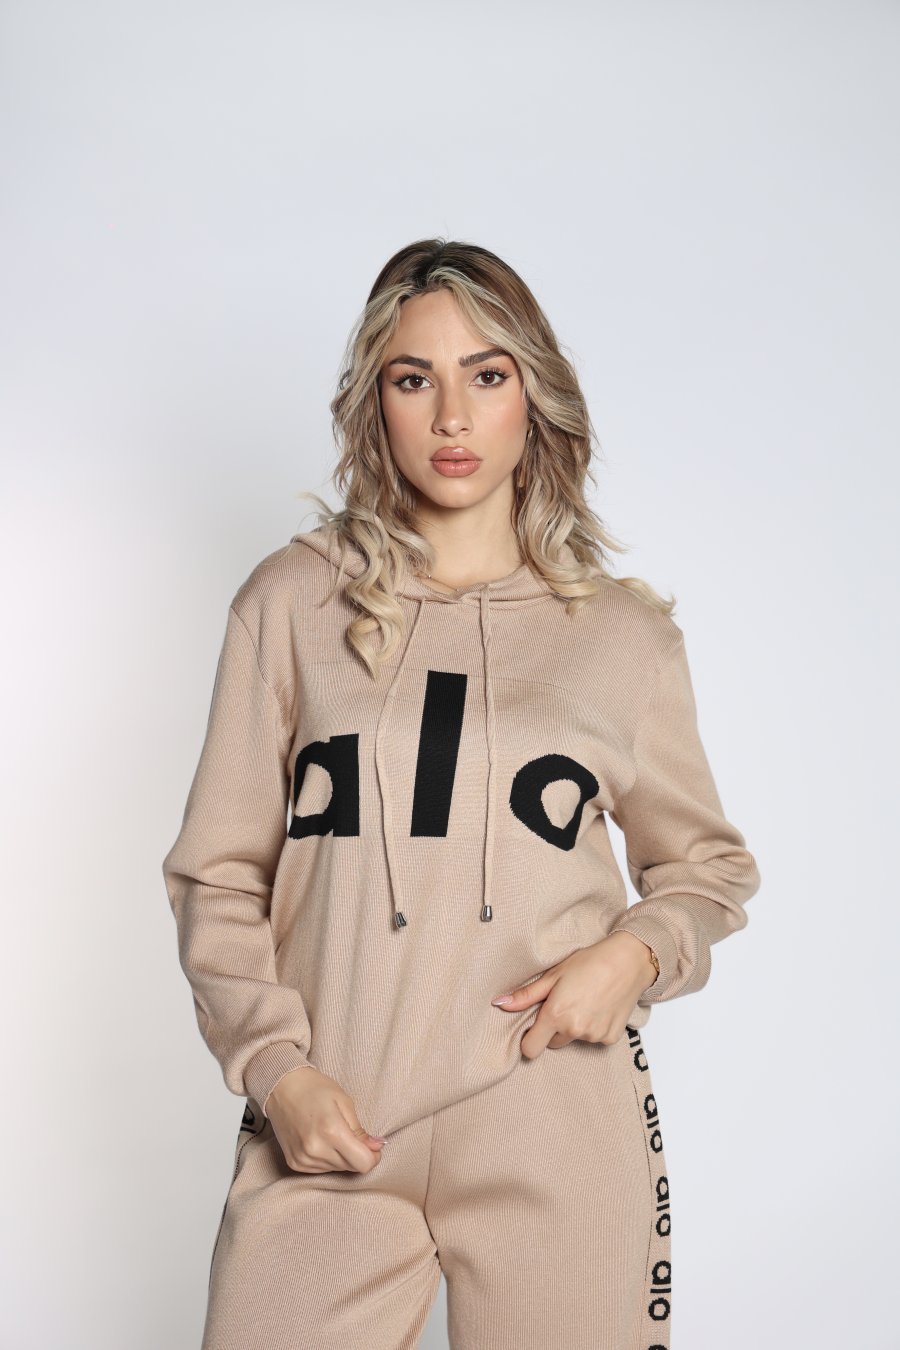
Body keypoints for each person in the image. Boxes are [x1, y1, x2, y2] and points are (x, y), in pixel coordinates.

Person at [162, 237, 761, 1350]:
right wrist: (277, 1073)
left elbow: (707, 869)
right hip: (333, 1120)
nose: (451, 415)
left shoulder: (621, 636)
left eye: (486, 375)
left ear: (535, 396)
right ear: (374, 404)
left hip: (554, 1118)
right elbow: (217, 875)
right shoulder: (289, 603)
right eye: (413, 378)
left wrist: (634, 955)